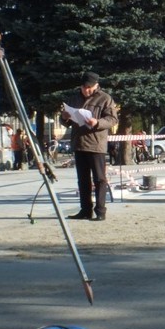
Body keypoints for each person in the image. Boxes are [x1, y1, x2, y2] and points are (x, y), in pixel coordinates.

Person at [61, 71, 118, 221]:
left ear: (96, 85)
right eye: (84, 87)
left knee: (99, 179)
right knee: (83, 180)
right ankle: (85, 210)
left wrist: (97, 122)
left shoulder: (105, 99)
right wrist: (65, 117)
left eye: (89, 87)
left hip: (96, 144)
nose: (86, 90)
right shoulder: (74, 99)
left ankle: (100, 211)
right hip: (79, 144)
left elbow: (112, 119)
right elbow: (66, 120)